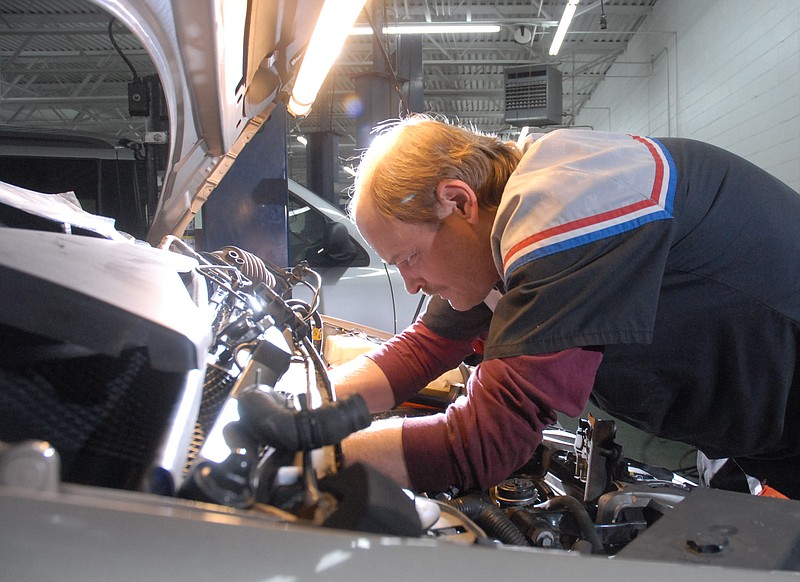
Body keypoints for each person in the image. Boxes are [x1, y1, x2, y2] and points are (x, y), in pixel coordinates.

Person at [329, 114, 800, 500]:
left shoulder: (561, 209)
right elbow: (420, 351)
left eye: (408, 259)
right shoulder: (500, 234)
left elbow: (485, 443)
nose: (411, 285)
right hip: (758, 429)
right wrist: (311, 402)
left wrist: (316, 456)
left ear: (458, 201)